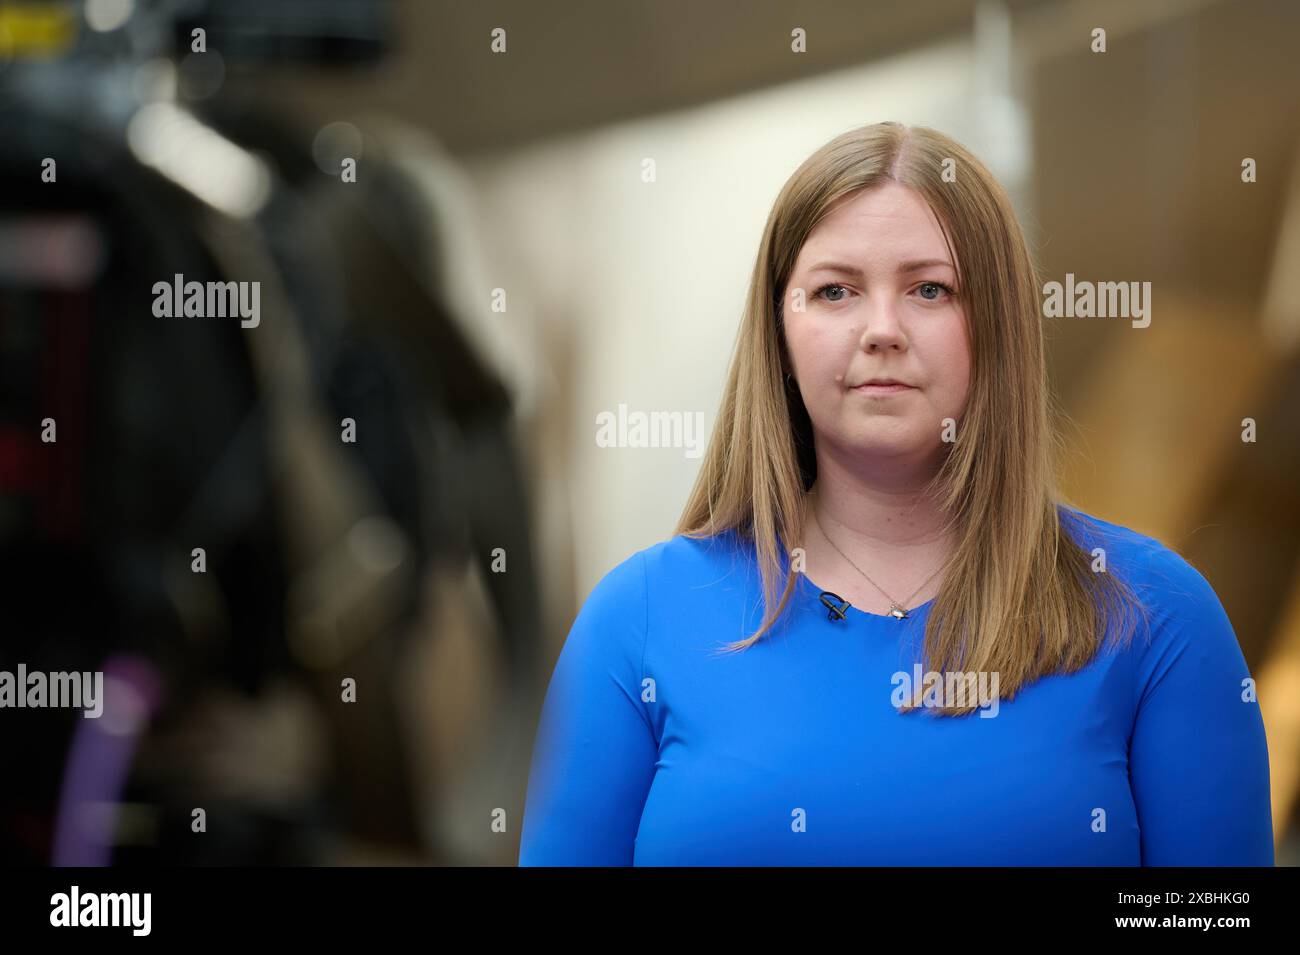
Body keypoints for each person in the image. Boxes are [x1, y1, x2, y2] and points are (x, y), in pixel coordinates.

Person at [517, 121, 1275, 866]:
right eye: (836, 290)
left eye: (930, 289)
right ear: (779, 329)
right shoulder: (637, 618)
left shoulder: (1155, 616)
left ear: (999, 326)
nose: (882, 329)